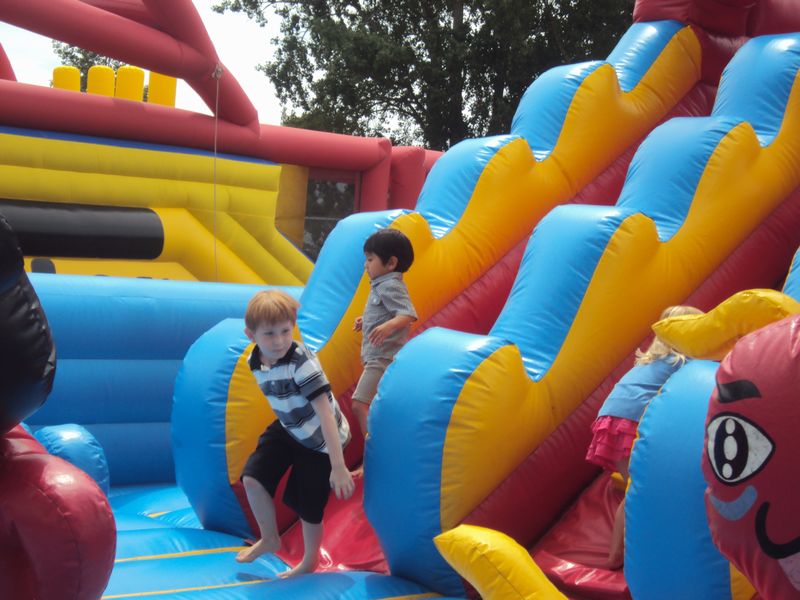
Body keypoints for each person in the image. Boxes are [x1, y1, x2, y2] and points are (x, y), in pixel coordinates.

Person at [235, 289, 355, 577]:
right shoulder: (255, 361)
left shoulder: (301, 363)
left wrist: (338, 466)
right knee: (252, 478)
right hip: (291, 426)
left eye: (285, 331)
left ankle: (310, 560)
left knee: (308, 506)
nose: (279, 341)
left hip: (322, 439)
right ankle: (269, 538)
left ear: (294, 326)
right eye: (269, 334)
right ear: (251, 335)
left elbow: (325, 413)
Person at [585, 304, 703, 570]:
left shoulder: (649, 362)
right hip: (629, 422)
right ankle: (620, 552)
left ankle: (621, 550)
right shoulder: (682, 361)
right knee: (640, 489)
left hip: (610, 421)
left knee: (635, 486)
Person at [352, 228, 417, 438]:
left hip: (382, 358)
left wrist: (387, 327)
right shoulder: (381, 285)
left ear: (391, 263)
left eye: (370, 259)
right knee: (374, 405)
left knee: (359, 404)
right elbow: (386, 311)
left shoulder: (390, 284)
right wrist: (367, 321)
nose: (366, 265)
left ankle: (372, 448)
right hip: (377, 357)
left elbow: (407, 314)